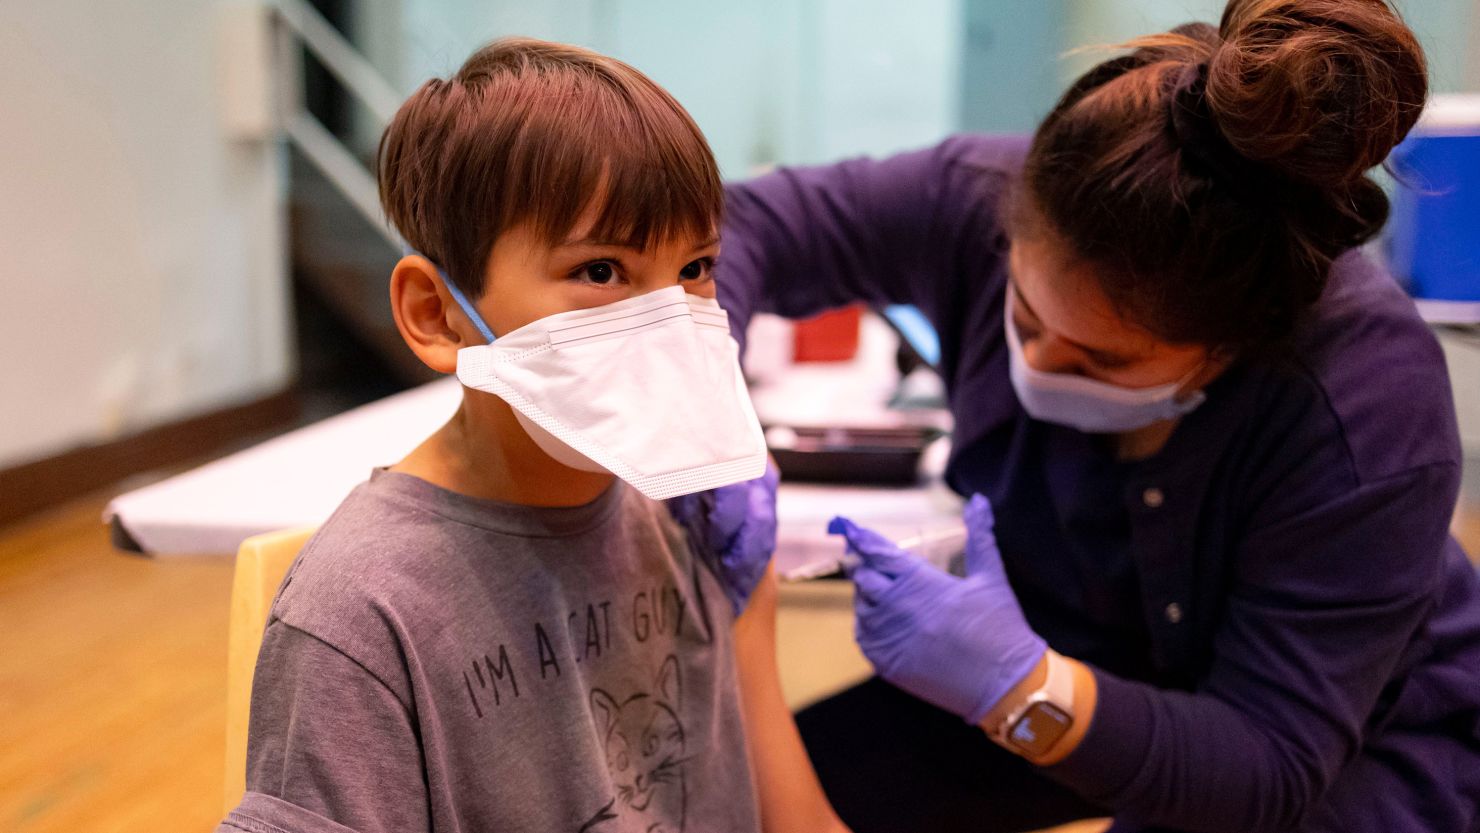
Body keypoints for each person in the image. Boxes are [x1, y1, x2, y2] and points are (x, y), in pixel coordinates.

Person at [716, 1, 1480, 831]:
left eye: (1102, 360)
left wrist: (1022, 687)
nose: (1037, 365)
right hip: (1077, 645)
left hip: (1338, 741)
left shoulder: (1365, 402)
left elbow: (1267, 768)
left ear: (1233, 347)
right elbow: (738, 224)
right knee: (761, 786)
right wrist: (703, 413)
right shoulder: (974, 199)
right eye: (1026, 317)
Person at [217, 38, 841, 833]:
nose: (668, 319)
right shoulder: (363, 610)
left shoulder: (681, 523)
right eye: (602, 270)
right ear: (437, 313)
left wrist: (752, 610)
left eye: (696, 268)